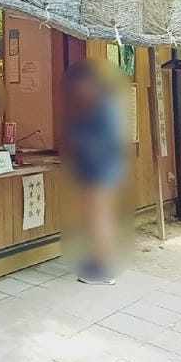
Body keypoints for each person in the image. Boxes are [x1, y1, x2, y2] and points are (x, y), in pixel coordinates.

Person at [61, 58, 128, 285]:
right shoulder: (101, 104)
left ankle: (104, 269)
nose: (77, 91)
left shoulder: (103, 108)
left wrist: (75, 135)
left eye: (81, 86)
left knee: (99, 219)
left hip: (100, 170)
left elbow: (101, 143)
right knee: (95, 218)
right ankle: (97, 260)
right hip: (100, 169)